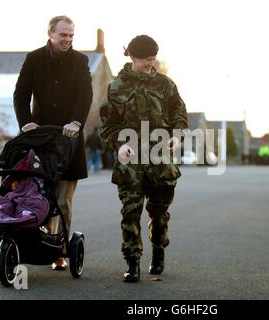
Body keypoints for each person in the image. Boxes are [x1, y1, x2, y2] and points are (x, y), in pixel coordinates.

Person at [100, 35, 188, 282]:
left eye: (153, 59)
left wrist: (177, 136)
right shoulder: (116, 87)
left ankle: (158, 252)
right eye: (147, 60)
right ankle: (132, 262)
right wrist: (118, 145)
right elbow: (109, 124)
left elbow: (179, 114)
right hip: (131, 162)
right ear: (132, 57)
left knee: (159, 213)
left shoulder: (165, 85)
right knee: (130, 212)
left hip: (161, 160)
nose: (151, 64)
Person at [13, 15, 93, 270]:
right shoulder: (34, 58)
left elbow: (85, 94)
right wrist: (25, 122)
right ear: (50, 34)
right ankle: (31, 241)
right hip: (39, 139)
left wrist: (76, 123)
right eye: (63, 35)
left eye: (71, 35)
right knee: (35, 193)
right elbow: (21, 93)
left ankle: (57, 249)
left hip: (68, 141)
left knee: (61, 200)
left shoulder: (80, 61)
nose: (68, 39)